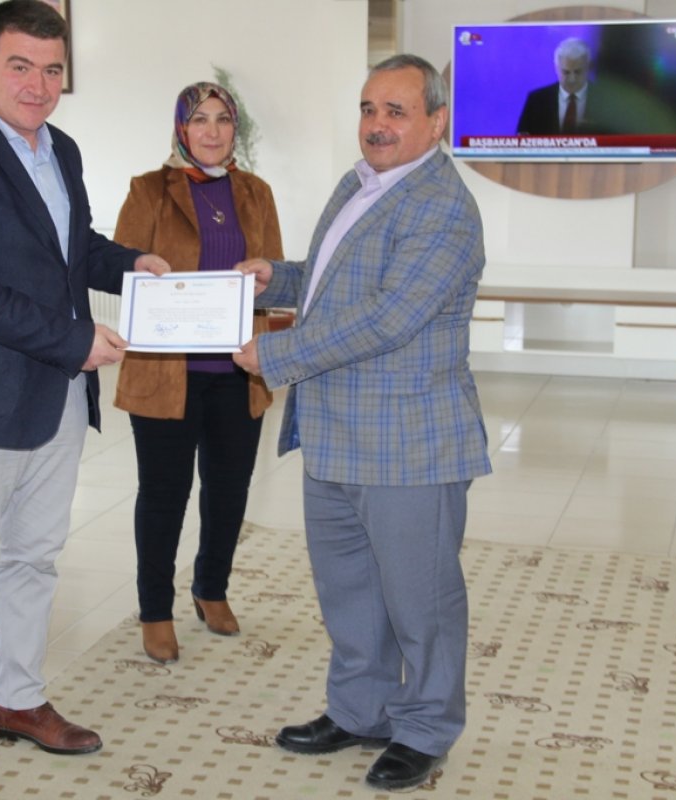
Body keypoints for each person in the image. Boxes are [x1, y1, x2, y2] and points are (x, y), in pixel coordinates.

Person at [0, 0, 170, 788]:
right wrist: (76, 341)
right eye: (20, 66)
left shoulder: (62, 149)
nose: (38, 85)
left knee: (35, 558)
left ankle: (18, 700)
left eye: (52, 70)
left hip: (54, 396)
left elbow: (69, 249)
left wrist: (131, 264)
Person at [232, 54, 491, 793]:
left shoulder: (442, 205)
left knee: (421, 600)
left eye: (396, 111)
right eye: (369, 108)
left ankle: (426, 728)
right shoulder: (363, 181)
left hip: (409, 444)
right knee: (349, 592)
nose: (377, 124)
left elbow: (389, 316)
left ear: (436, 122)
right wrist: (278, 277)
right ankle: (360, 711)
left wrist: (276, 354)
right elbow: (339, 280)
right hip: (335, 433)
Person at [112, 82, 283, 665]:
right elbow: (122, 270)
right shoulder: (149, 189)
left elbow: (274, 277)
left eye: (223, 119)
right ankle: (155, 610)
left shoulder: (256, 192)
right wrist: (156, 281)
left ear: (236, 129)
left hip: (239, 370)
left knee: (230, 489)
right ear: (181, 128)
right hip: (167, 373)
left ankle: (211, 587)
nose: (212, 131)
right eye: (200, 119)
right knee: (164, 494)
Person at [516, 37, 606, 135]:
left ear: (589, 67)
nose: (572, 79)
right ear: (556, 68)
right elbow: (522, 139)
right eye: (566, 72)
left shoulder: (605, 101)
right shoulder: (536, 100)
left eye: (578, 72)